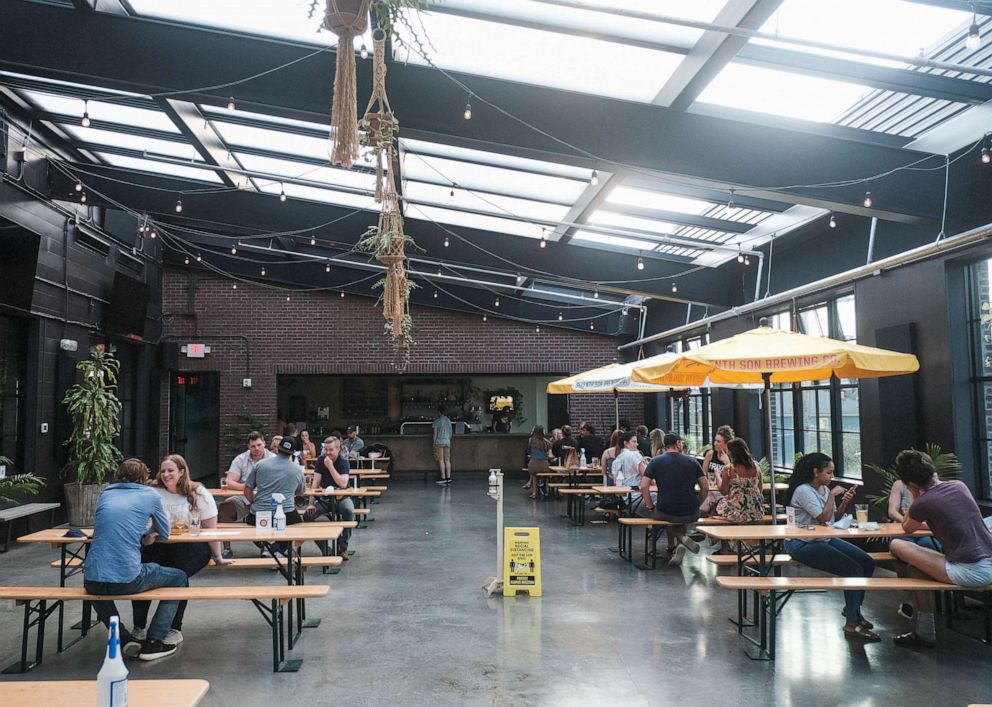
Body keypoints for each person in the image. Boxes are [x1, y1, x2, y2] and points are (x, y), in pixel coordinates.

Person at [83, 458, 188, 662]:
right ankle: (155, 640)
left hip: (92, 577)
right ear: (144, 477)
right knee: (180, 578)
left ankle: (122, 637)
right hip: (128, 578)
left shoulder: (106, 493)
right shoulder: (149, 494)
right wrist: (146, 536)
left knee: (97, 587)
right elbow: (164, 533)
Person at [889, 449, 992, 647]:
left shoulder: (923, 502)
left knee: (896, 544)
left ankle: (908, 604)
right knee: (915, 570)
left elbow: (907, 527)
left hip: (971, 571)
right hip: (988, 561)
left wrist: (914, 496)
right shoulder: (959, 486)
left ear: (910, 483)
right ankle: (924, 631)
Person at [132, 454, 233, 647]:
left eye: (171, 470)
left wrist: (218, 557)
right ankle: (139, 626)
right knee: (144, 573)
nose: (166, 474)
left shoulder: (199, 493)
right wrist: (147, 538)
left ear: (182, 471)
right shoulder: (153, 491)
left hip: (190, 547)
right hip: (158, 545)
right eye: (163, 471)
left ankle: (173, 629)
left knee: (179, 577)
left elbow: (211, 530)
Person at [784, 452, 878, 642]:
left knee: (866, 562)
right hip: (801, 542)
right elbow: (823, 518)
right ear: (816, 472)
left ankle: (852, 609)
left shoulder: (823, 489)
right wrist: (833, 495)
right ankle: (852, 622)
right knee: (852, 569)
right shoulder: (803, 490)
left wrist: (843, 502)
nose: (831, 476)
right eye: (828, 472)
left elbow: (832, 517)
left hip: (823, 537)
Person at [639, 432, 709, 566]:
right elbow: (705, 487)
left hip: (666, 509)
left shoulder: (656, 461)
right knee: (679, 517)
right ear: (677, 444)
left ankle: (681, 539)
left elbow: (643, 486)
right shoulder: (692, 461)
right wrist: (698, 504)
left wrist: (650, 507)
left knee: (663, 517)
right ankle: (679, 544)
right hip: (690, 511)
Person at [245, 436, 306, 555]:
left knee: (250, 522)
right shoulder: (297, 470)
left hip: (259, 512)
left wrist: (254, 503)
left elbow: (247, 489)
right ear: (293, 452)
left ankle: (270, 547)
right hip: (286, 512)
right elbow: (300, 493)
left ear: (277, 449)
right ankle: (276, 550)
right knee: (298, 525)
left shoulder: (260, 465)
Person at [217, 431, 274, 559]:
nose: (256, 449)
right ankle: (227, 550)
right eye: (253, 446)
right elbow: (229, 481)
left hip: (265, 498)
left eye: (259, 445)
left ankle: (268, 548)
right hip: (244, 497)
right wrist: (246, 487)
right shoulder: (241, 459)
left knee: (276, 510)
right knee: (224, 508)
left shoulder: (273, 458)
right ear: (248, 446)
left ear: (264, 444)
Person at [305, 436, 354, 559]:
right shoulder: (321, 461)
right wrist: (311, 503)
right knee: (307, 516)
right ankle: (325, 548)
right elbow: (315, 483)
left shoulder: (343, 461)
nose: (328, 453)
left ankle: (343, 547)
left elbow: (343, 483)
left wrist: (331, 467)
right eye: (325, 449)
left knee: (348, 510)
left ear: (338, 449)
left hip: (342, 497)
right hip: (325, 499)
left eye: (331, 450)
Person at [699, 425, 734, 517]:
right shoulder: (710, 455)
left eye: (718, 441)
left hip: (726, 492)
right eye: (715, 440)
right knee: (703, 510)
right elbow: (703, 474)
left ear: (726, 444)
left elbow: (734, 478)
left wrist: (727, 462)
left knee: (715, 512)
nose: (715, 443)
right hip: (712, 491)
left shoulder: (732, 457)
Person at [612, 431, 649, 512]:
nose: (637, 444)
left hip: (627, 500)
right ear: (626, 443)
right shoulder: (635, 454)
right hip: (640, 498)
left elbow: (616, 482)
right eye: (634, 441)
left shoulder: (617, 459)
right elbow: (647, 476)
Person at [524, 425, 551, 499]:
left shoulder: (531, 440)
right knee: (539, 471)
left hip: (533, 465)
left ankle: (534, 493)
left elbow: (529, 452)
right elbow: (550, 454)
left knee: (534, 474)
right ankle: (543, 486)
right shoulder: (546, 442)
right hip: (544, 466)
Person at [433, 405, 453, 485]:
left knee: (441, 460)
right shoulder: (448, 421)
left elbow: (435, 434)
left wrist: (434, 443)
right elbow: (451, 433)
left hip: (439, 442)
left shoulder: (437, 421)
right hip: (447, 442)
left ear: (439, 412)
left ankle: (443, 478)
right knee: (447, 460)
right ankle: (449, 478)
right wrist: (448, 440)